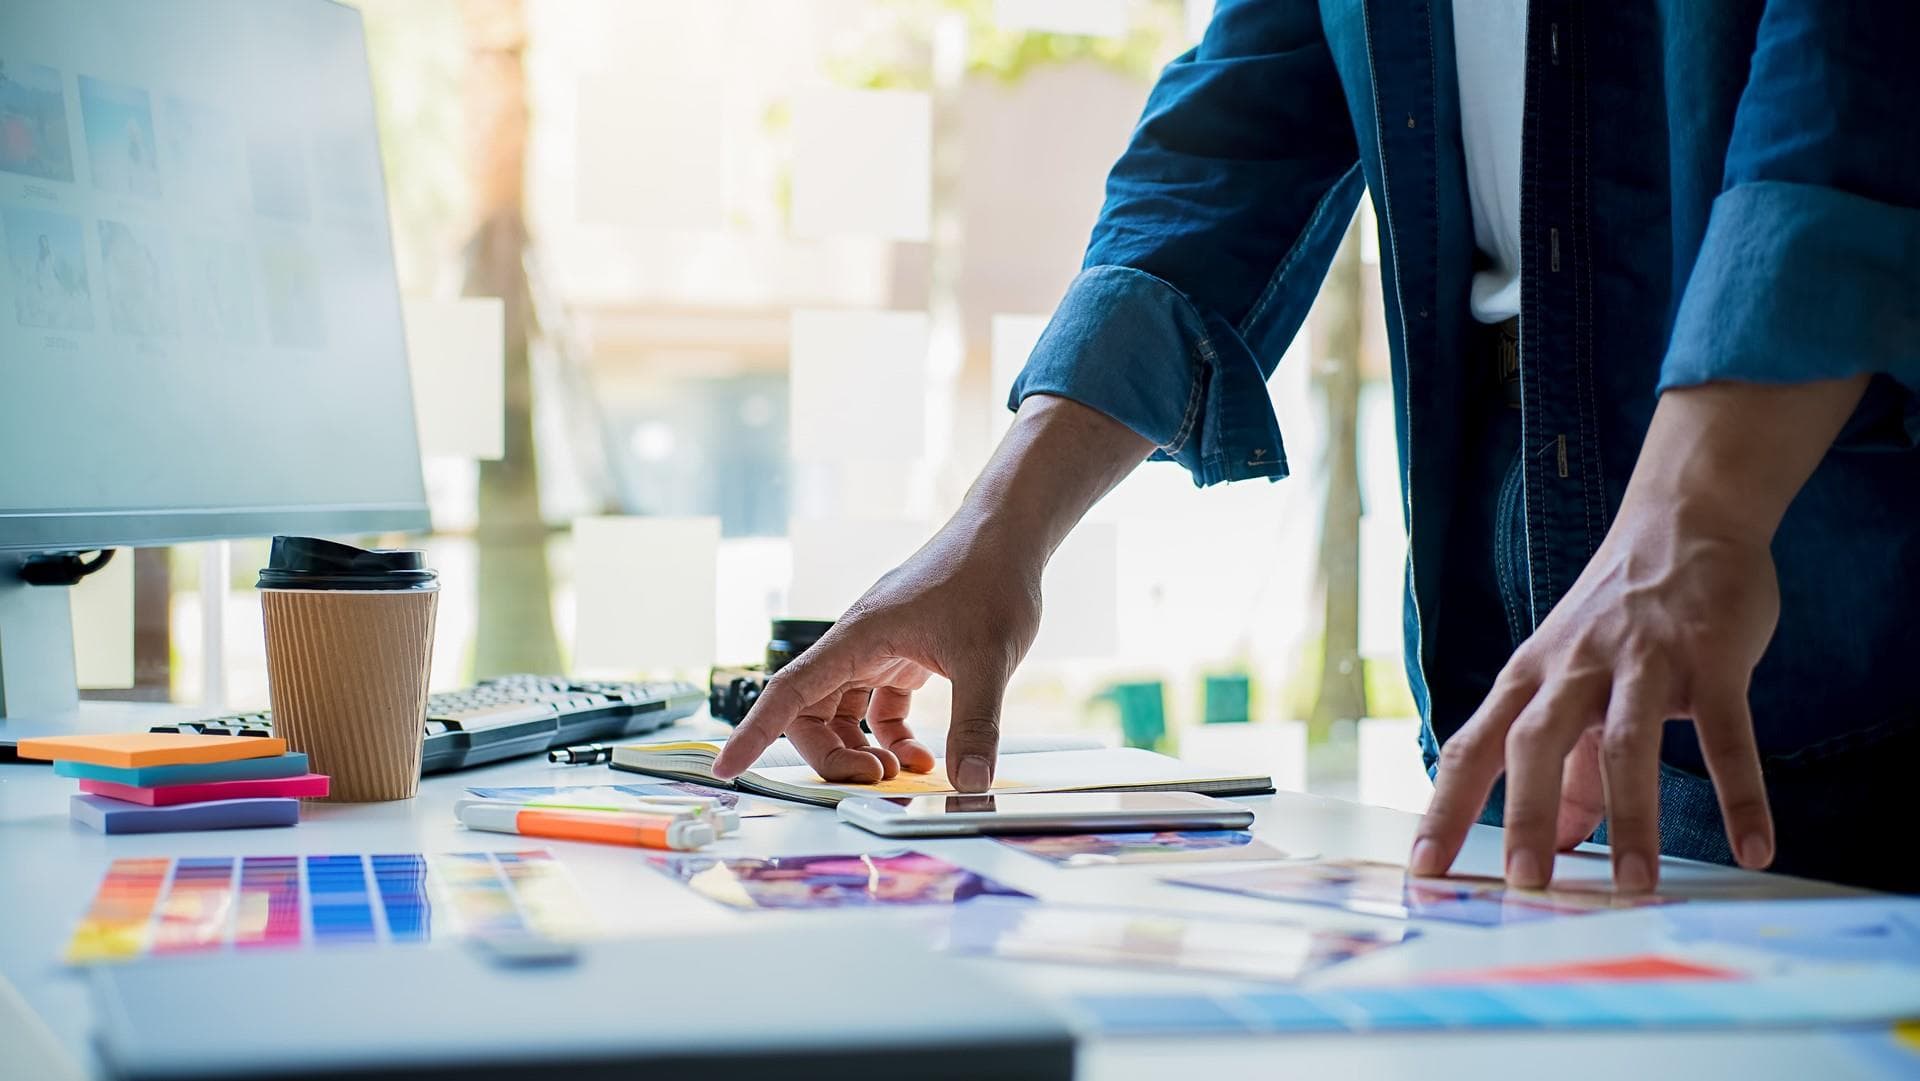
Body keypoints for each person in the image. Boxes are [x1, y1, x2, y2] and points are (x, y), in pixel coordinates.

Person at [718, 1, 1919, 894]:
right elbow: (1232, 138)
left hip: (1804, 566)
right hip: (1517, 572)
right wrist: (998, 531)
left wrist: (1695, 510)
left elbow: (1856, 75)